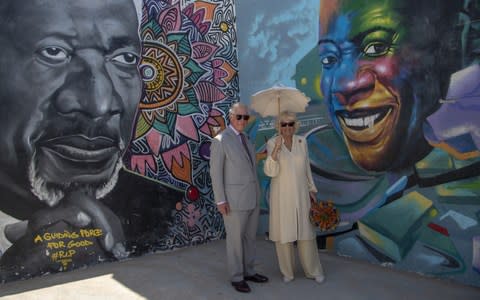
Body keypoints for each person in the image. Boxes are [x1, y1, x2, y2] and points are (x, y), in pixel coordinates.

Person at [0, 0, 180, 281]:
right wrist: (13, 271)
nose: (100, 105)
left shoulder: (169, 214)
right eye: (53, 52)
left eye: (125, 58)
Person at [209, 102, 268, 293]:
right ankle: (237, 277)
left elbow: (249, 166)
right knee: (235, 240)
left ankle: (249, 271)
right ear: (231, 117)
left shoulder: (247, 138)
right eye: (239, 116)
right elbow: (216, 173)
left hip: (252, 197)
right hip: (233, 201)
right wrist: (221, 201)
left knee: (250, 238)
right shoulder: (220, 140)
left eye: (246, 117)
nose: (243, 120)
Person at [263, 111, 325, 284]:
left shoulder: (302, 141)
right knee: (284, 235)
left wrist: (312, 189)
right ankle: (287, 272)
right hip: (281, 196)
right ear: (278, 126)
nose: (287, 127)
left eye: (291, 124)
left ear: (295, 125)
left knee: (306, 234)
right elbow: (270, 171)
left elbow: (306, 169)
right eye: (284, 124)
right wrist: (275, 149)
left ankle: (313, 270)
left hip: (301, 194)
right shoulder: (271, 143)